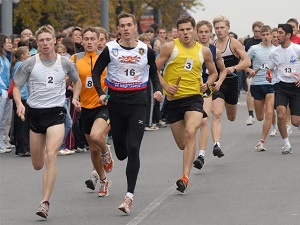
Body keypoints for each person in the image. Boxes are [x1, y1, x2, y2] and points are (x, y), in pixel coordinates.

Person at [92, 11, 163, 214]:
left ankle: (129, 196)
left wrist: (157, 89)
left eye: (129, 25)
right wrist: (100, 93)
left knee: (133, 148)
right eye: (122, 25)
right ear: (118, 29)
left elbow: (153, 74)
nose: (125, 28)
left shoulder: (145, 50)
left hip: (137, 102)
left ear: (135, 27)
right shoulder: (110, 49)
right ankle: (108, 151)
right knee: (122, 152)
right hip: (116, 103)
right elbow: (96, 73)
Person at [13, 25, 82, 219]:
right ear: (38, 42)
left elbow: (77, 81)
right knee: (37, 164)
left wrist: (75, 97)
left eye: (48, 40)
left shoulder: (66, 63)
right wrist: (19, 104)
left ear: (54, 41)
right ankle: (43, 151)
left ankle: (44, 203)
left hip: (56, 113)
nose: (45, 43)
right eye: (41, 40)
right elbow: (17, 86)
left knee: (51, 155)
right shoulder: (30, 63)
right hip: (35, 114)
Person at [155, 16, 218, 192]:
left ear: (194, 30)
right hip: (173, 101)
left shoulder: (203, 51)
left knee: (191, 132)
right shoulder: (170, 47)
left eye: (188, 29)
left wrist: (208, 83)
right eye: (181, 30)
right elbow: (153, 69)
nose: (185, 33)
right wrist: (166, 86)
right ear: (177, 31)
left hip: (194, 98)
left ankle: (185, 176)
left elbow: (213, 73)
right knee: (183, 144)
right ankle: (187, 163)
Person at [70, 26, 114, 196]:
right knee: (92, 149)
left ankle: (106, 151)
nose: (89, 42)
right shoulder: (75, 58)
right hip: (85, 108)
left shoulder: (106, 58)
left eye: (92, 39)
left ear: (98, 41)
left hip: (103, 106)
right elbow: (70, 79)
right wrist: (74, 95)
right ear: (82, 40)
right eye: (86, 39)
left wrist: (109, 97)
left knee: (97, 137)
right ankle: (103, 181)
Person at [212, 15, 251, 157]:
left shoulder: (234, 43)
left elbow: (247, 61)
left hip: (232, 82)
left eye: (222, 27)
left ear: (228, 28)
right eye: (217, 28)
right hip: (218, 83)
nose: (219, 30)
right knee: (216, 114)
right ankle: (216, 144)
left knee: (231, 117)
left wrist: (234, 68)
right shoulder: (213, 44)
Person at [193, 20, 227, 170]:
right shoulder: (191, 48)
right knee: (202, 122)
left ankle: (205, 152)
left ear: (210, 33)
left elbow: (223, 69)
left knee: (209, 118)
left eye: (206, 32)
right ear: (197, 32)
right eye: (201, 32)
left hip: (208, 86)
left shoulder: (215, 51)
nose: (204, 35)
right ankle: (201, 153)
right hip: (193, 88)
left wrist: (219, 81)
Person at [266, 23, 300, 154]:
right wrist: (268, 75)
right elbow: (269, 68)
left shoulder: (297, 49)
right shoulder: (274, 52)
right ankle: (286, 144)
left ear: (288, 35)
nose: (277, 36)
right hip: (281, 86)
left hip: (296, 87)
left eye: (280, 33)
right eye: (277, 33)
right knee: (280, 114)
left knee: (296, 122)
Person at [245, 25, 277, 151]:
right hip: (257, 84)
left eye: (267, 34)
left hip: (271, 84)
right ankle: (269, 119)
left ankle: (262, 141)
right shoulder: (254, 49)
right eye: (263, 35)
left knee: (269, 112)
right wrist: (250, 70)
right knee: (260, 117)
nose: (265, 37)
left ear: (271, 35)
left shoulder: (276, 50)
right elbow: (244, 63)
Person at [11, 46, 31, 156]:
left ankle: (20, 148)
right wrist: (24, 97)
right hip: (22, 98)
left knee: (20, 124)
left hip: (21, 98)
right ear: (23, 56)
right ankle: (24, 148)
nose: (29, 55)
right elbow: (20, 84)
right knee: (23, 125)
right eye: (28, 53)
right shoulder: (21, 65)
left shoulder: (18, 65)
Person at [244, 21, 264, 126]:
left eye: (259, 31)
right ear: (253, 30)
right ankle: (250, 115)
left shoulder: (265, 41)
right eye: (255, 31)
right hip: (251, 71)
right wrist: (247, 70)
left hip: (264, 73)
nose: (257, 33)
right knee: (249, 90)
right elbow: (245, 59)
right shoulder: (248, 43)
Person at [0, 35, 12, 153]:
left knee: (4, 118)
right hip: (1, 90)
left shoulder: (5, 57)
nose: (9, 44)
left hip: (7, 90)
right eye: (6, 42)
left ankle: (2, 141)